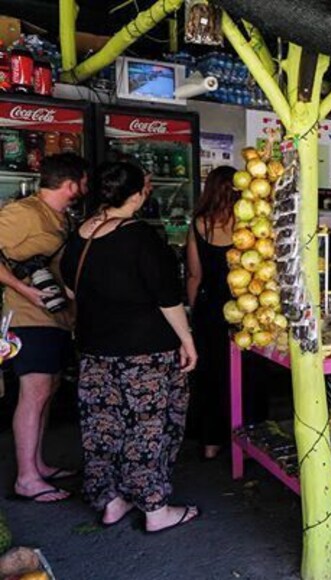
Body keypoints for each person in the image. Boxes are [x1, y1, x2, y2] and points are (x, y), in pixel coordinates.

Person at [59, 162, 200, 532]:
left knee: (103, 428)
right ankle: (155, 509)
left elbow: (70, 290)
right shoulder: (141, 237)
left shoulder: (81, 234)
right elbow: (167, 298)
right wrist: (187, 340)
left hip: (95, 353)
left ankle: (111, 501)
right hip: (145, 354)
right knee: (148, 428)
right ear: (136, 195)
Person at [0, 153, 89, 504]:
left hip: (54, 318)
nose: (86, 188)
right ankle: (26, 479)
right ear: (71, 184)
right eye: (83, 182)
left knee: (48, 388)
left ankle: (37, 464)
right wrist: (25, 290)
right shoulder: (23, 213)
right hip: (27, 318)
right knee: (34, 391)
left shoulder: (59, 217)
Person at [185, 166, 236, 460]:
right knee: (244, 373)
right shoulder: (248, 225)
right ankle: (245, 435)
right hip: (244, 308)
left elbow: (194, 275)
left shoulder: (199, 224)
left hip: (210, 309)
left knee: (211, 375)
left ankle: (211, 443)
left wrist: (193, 313)